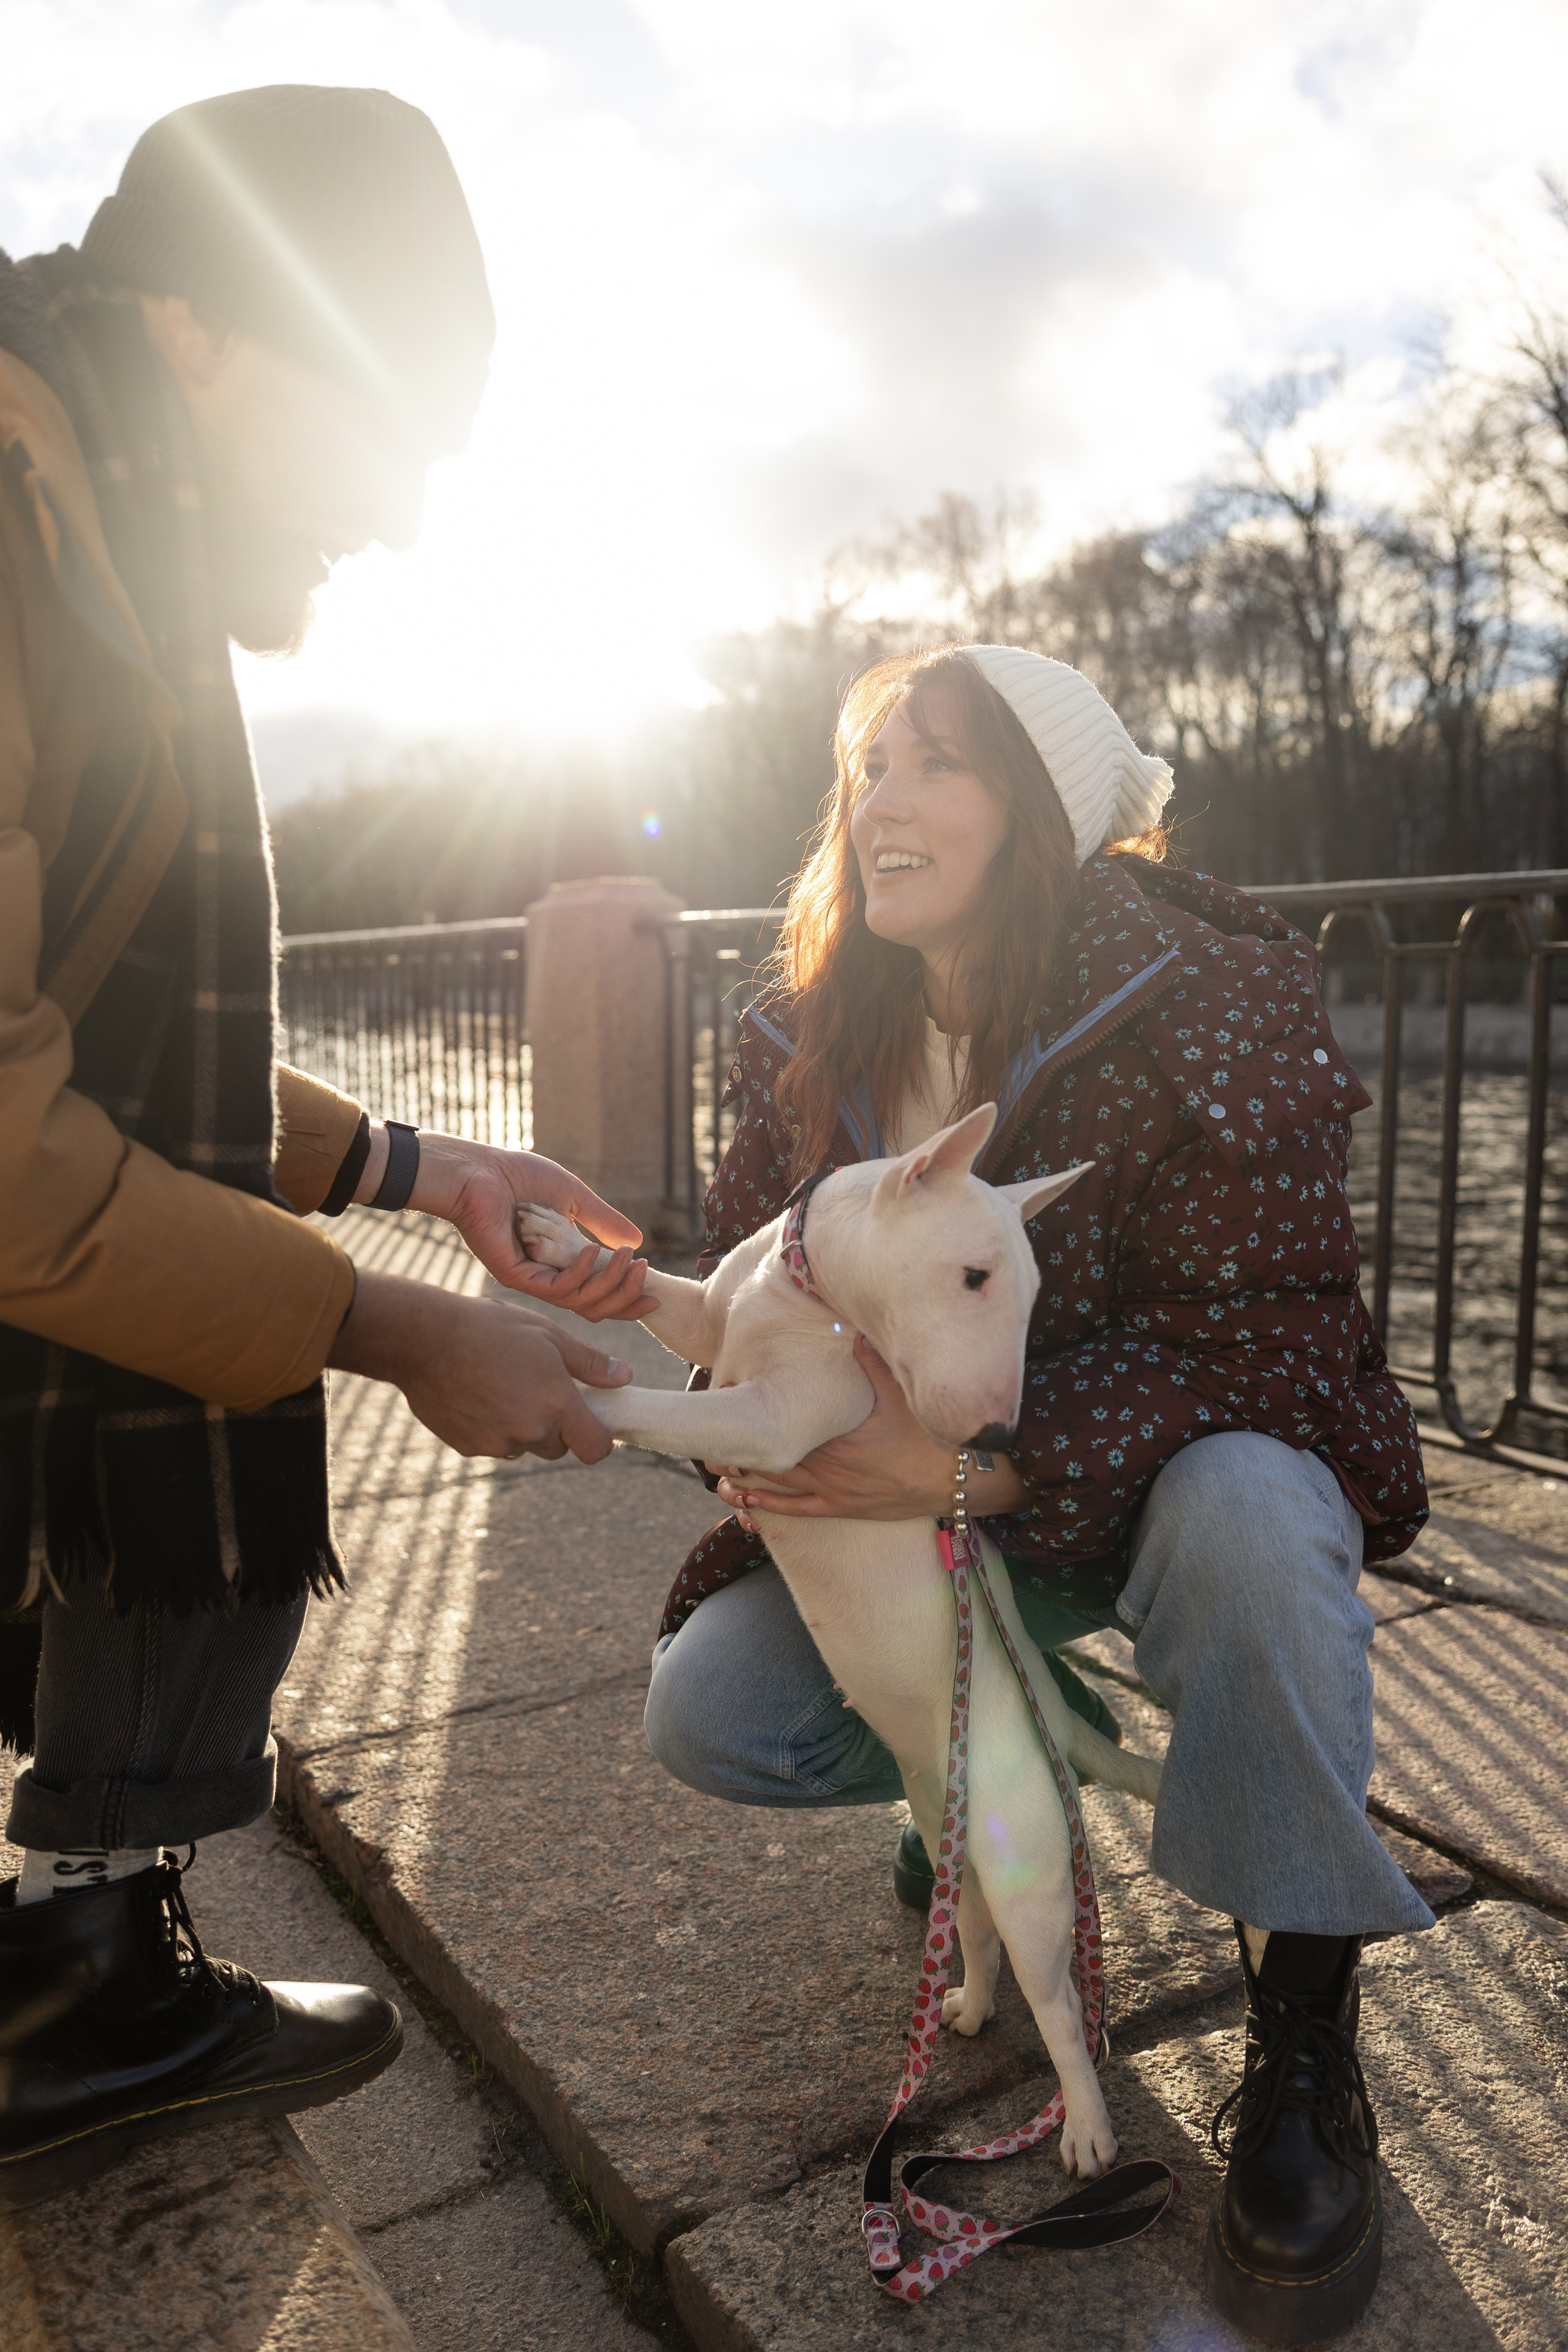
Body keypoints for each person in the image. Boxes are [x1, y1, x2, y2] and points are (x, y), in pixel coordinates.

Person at [614, 644, 1429, 2343]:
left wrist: (979, 1459)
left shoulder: (1218, 997)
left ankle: (1300, 2022)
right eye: (869, 767)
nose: (884, 801)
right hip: (914, 1538)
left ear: (1043, 813)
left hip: (1145, 1495)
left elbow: (1282, 1353)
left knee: (1262, 1520)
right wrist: (702, 1402)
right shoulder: (800, 1030)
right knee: (717, 1713)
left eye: (940, 766)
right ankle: (975, 1793)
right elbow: (741, 1313)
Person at [0, 86, 649, 2213]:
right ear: (194, 325)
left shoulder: (100, 521)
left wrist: (406, 1168)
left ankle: (85, 1951)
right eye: (389, 417)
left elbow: (92, 1041)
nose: (408, 506)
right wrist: (380, 1331)